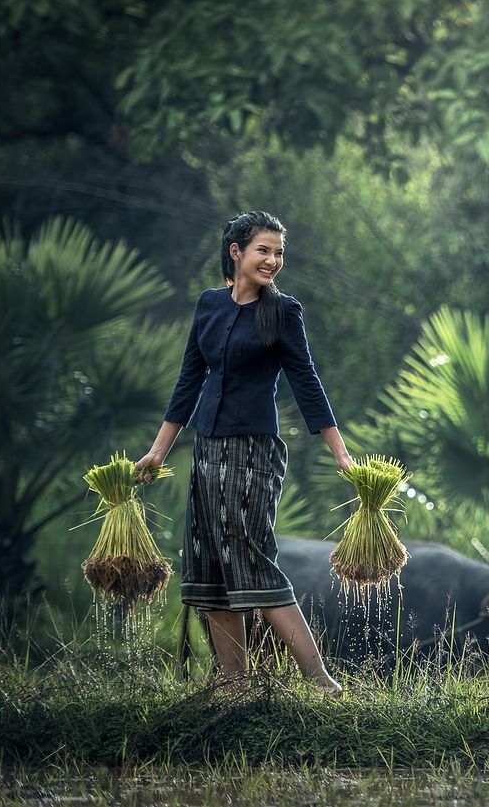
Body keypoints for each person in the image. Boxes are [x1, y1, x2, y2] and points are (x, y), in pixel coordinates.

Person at [134, 210, 351, 697]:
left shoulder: (283, 312)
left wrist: (340, 454)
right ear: (236, 252)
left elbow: (307, 384)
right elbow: (189, 382)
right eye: (264, 250)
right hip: (208, 450)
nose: (273, 260)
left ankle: (323, 684)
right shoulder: (209, 306)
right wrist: (157, 451)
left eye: (279, 253)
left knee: (252, 560)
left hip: (254, 452)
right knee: (209, 565)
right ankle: (234, 686)